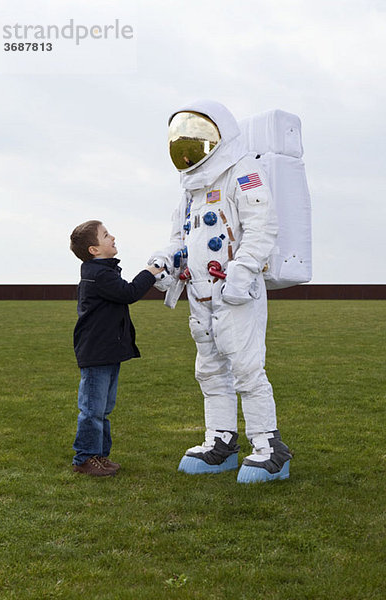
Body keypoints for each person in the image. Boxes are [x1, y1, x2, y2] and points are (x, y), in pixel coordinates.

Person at [150, 100, 292, 483]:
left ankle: (269, 446)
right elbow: (181, 238)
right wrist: (167, 260)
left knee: (246, 367)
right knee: (209, 370)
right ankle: (221, 441)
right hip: (199, 292)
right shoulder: (191, 190)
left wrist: (242, 273)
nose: (190, 148)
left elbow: (262, 228)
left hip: (235, 290)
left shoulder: (242, 171)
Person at [70, 220, 163, 476]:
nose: (113, 237)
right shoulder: (98, 274)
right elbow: (128, 293)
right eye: (106, 235)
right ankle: (85, 459)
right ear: (94, 250)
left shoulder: (104, 271)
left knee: (103, 408)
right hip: (96, 352)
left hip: (107, 351)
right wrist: (151, 271)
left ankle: (99, 456)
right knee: (92, 410)